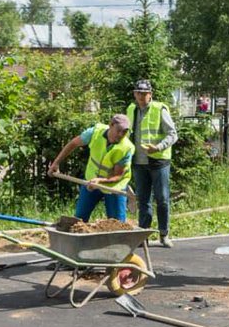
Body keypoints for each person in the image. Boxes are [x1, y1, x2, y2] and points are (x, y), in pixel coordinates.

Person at [48, 113, 135, 222]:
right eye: (119, 130)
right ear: (111, 125)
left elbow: (118, 175)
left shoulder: (126, 148)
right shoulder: (95, 132)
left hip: (114, 186)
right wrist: (56, 163)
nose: (121, 134)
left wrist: (100, 181)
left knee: (117, 224)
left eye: (125, 132)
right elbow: (73, 144)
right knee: (79, 220)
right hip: (90, 181)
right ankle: (79, 239)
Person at [125, 79, 178, 247]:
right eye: (138, 93)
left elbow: (172, 134)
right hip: (139, 162)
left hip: (159, 160)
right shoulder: (131, 109)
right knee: (143, 199)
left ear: (150, 94)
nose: (141, 96)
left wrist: (158, 147)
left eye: (144, 93)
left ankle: (164, 234)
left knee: (162, 198)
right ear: (135, 94)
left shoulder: (159, 109)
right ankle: (144, 234)